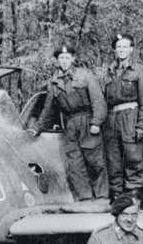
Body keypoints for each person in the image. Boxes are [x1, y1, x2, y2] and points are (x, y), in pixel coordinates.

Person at [31, 43, 108, 201]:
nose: (64, 61)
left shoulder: (85, 76)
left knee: (95, 162)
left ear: (73, 58)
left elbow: (98, 100)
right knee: (75, 165)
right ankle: (84, 199)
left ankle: (102, 198)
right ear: (57, 60)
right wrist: (37, 127)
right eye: (61, 58)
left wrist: (96, 122)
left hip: (88, 121)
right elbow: (48, 108)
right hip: (70, 125)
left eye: (67, 58)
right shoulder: (53, 82)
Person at [104, 33, 143, 202]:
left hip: (131, 119)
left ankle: (133, 198)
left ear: (131, 49)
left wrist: (142, 126)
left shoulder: (140, 69)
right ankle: (117, 197)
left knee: (133, 159)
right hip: (112, 121)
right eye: (119, 47)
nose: (122, 50)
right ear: (115, 50)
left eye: (125, 47)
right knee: (113, 160)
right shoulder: (110, 71)